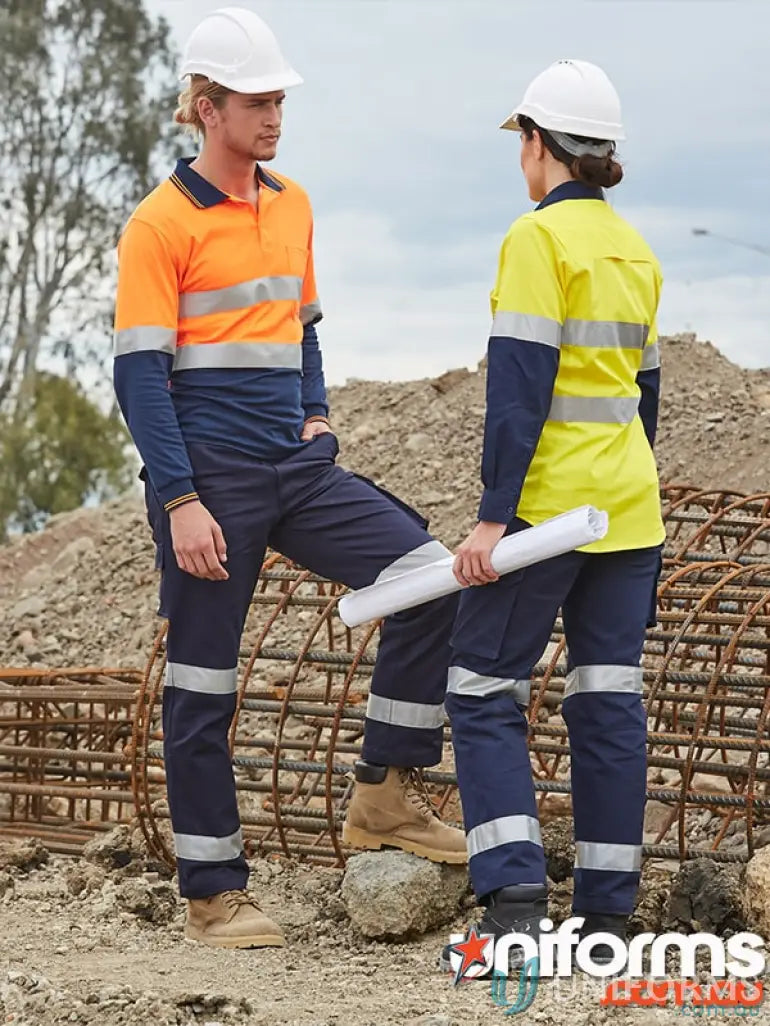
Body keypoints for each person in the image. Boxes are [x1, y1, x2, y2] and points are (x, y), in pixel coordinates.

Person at [113, 6, 466, 951]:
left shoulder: (293, 202)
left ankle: (386, 794)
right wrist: (181, 498)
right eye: (257, 100)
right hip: (211, 480)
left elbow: (303, 327)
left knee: (429, 577)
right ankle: (213, 893)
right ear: (205, 107)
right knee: (202, 685)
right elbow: (139, 375)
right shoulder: (158, 225)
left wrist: (317, 412)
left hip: (296, 467)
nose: (274, 115)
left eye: (279, 100)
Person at [441, 59, 664, 970]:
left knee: (482, 687)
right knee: (606, 699)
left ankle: (516, 899)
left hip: (546, 514)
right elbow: (644, 401)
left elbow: (518, 389)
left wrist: (494, 519)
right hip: (627, 512)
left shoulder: (538, 242)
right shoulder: (636, 250)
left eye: (521, 142)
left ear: (540, 145)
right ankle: (609, 916)